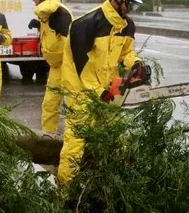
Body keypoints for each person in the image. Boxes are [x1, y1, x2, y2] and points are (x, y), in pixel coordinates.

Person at [58, 0, 150, 185]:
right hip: (81, 92)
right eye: (129, 4)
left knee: (115, 137)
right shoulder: (85, 24)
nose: (131, 10)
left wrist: (136, 64)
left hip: (106, 89)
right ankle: (65, 193)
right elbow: (81, 66)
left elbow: (125, 54)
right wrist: (99, 91)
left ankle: (111, 184)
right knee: (75, 144)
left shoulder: (127, 25)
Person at [28, 0, 73, 134]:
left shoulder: (60, 13)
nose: (33, 1)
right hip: (56, 67)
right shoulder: (45, 13)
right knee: (49, 105)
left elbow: (70, 43)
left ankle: (74, 140)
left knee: (73, 106)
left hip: (69, 66)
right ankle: (48, 137)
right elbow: (53, 34)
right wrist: (39, 25)